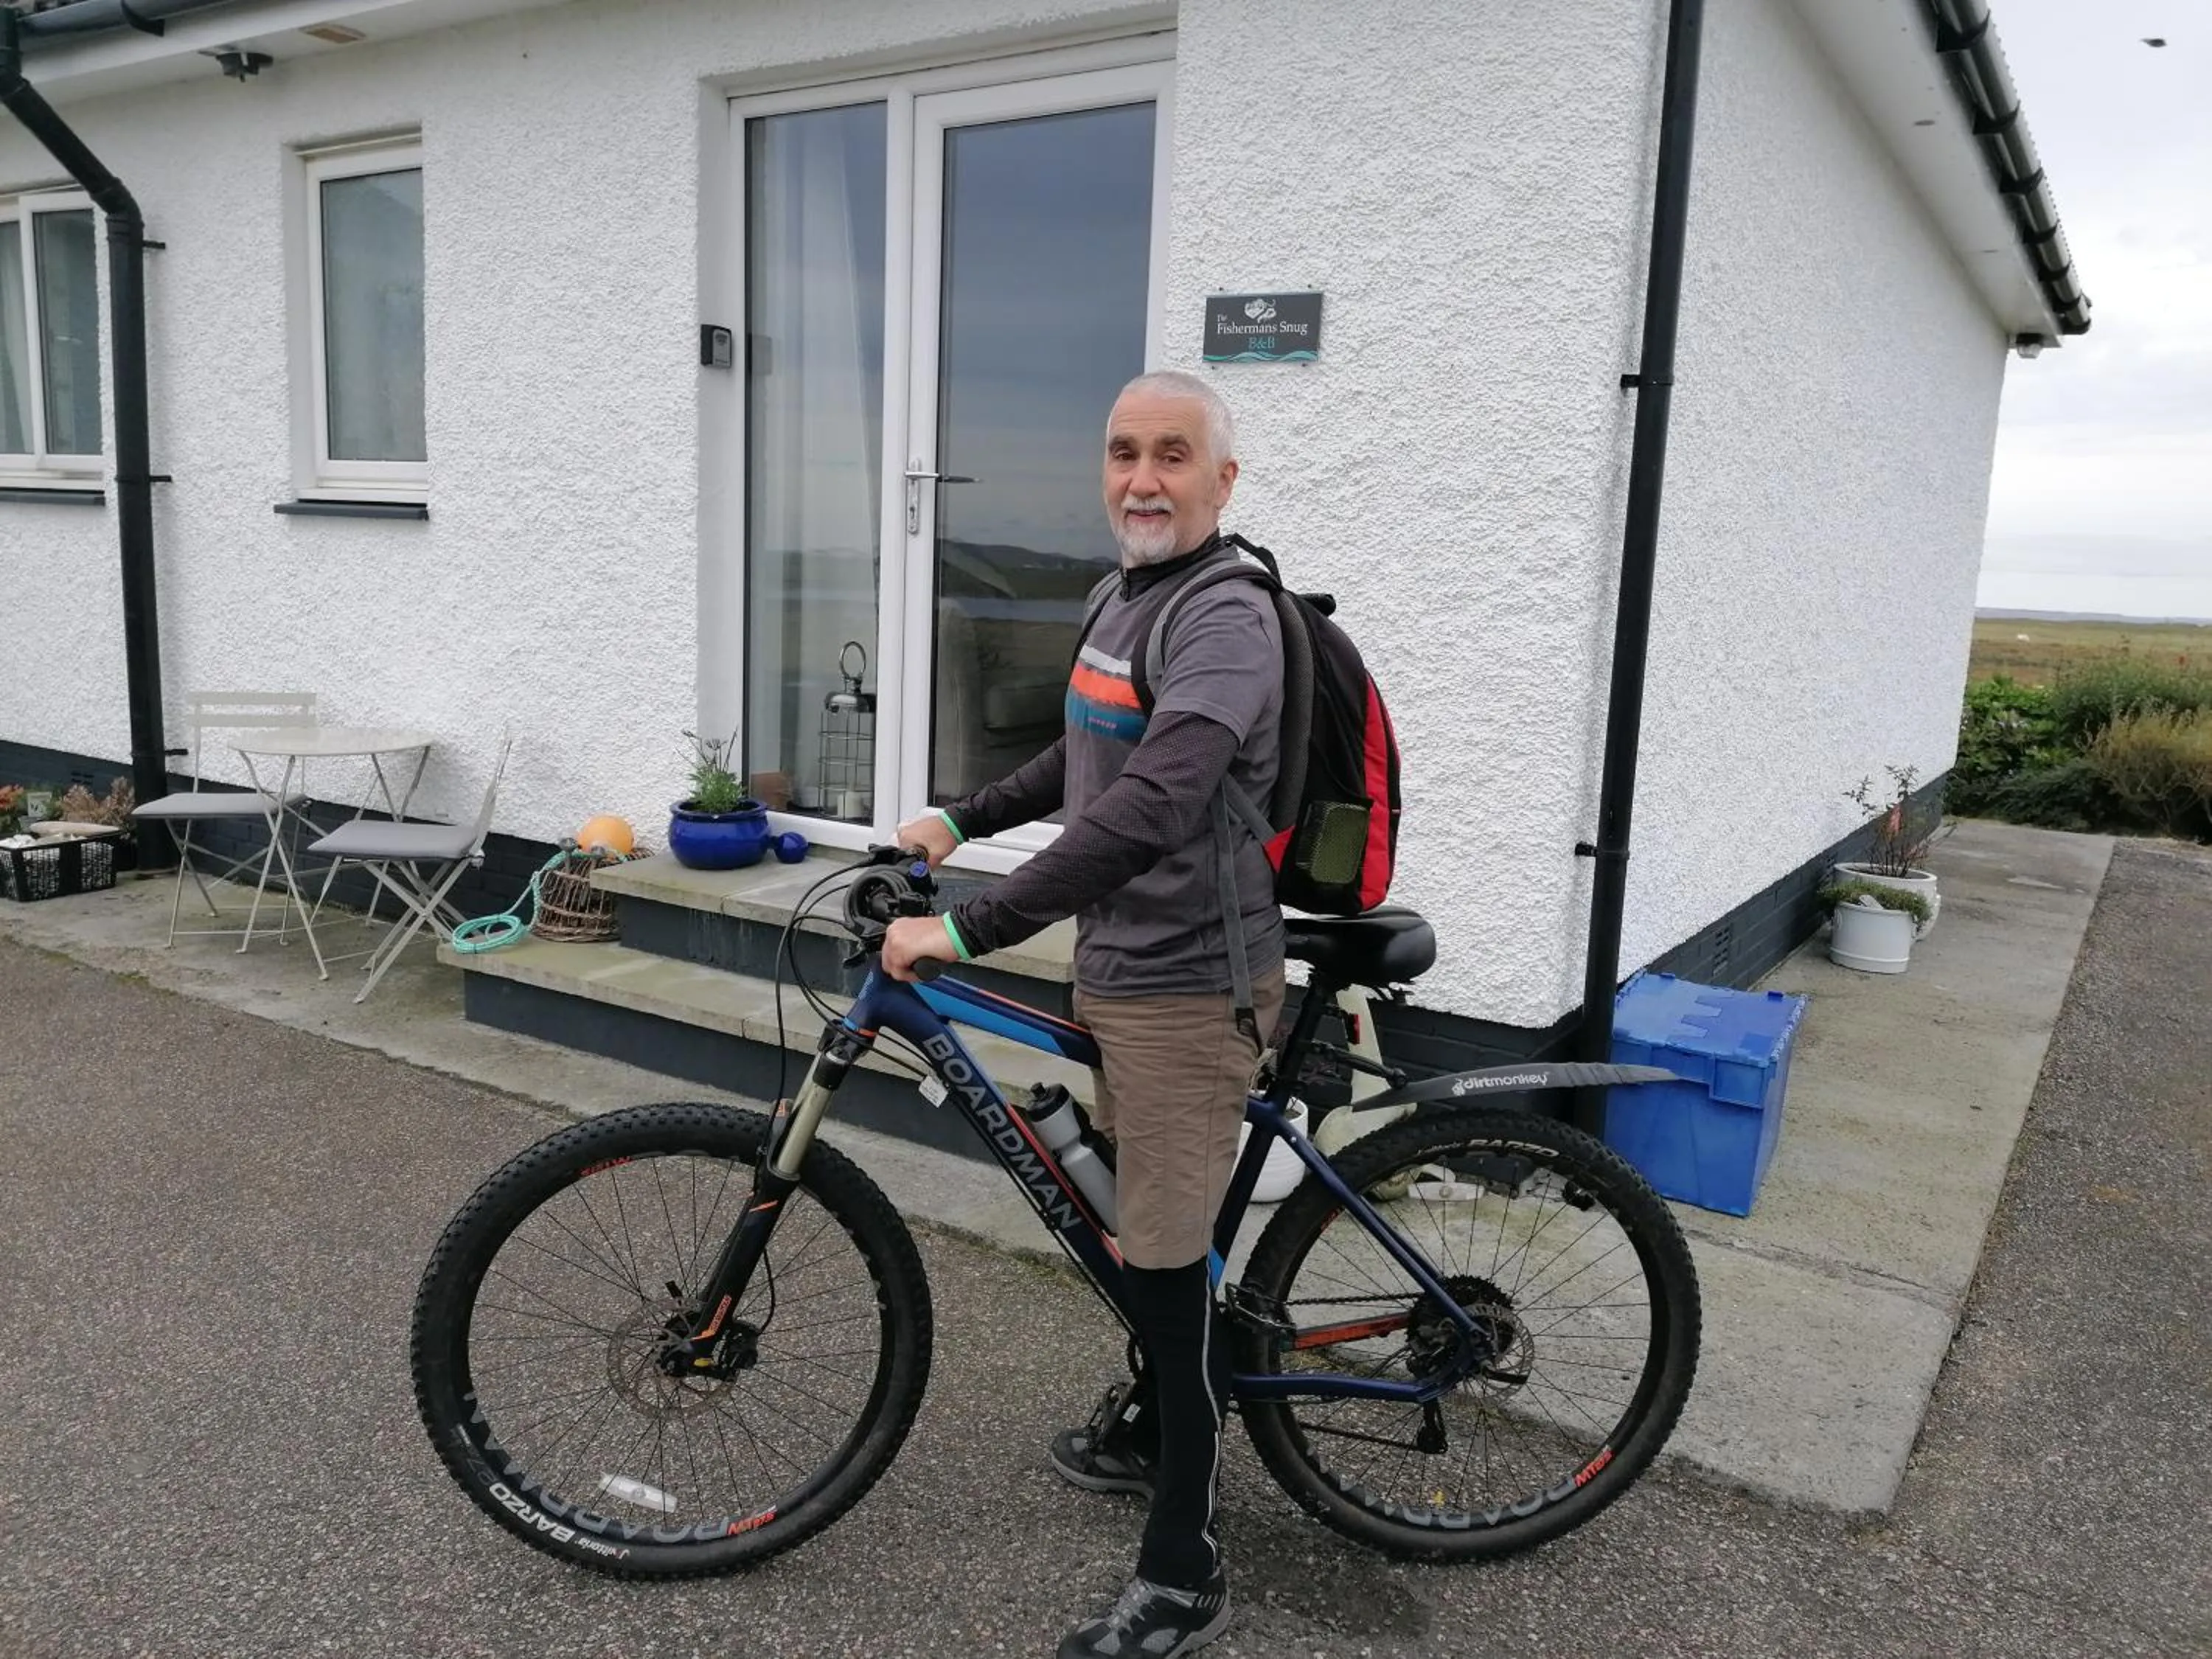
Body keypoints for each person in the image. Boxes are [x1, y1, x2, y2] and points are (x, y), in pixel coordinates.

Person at [883, 368, 1284, 1658]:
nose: (1143, 478)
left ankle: (1185, 1566)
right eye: (1123, 452)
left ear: (1222, 480)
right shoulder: (1127, 594)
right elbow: (1085, 752)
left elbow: (1159, 800)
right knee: (1136, 1225)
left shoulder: (1225, 616)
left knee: (1161, 1258)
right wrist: (965, 814)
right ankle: (1168, 1413)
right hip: (1122, 966)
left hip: (1187, 987)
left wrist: (967, 925)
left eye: (1174, 455)